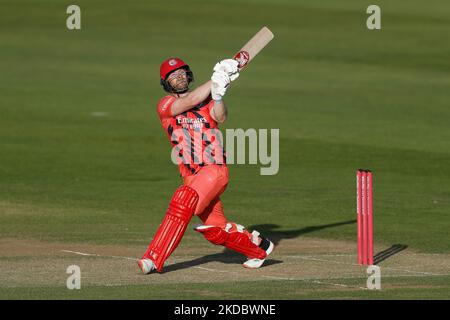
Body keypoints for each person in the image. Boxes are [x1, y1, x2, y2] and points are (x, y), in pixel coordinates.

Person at [137, 57, 274, 274]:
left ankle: (153, 258)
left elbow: (221, 116)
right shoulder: (165, 105)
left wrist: (218, 95)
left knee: (182, 204)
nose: (179, 76)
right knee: (216, 230)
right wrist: (216, 79)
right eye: (173, 75)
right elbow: (188, 101)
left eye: (182, 72)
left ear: (188, 75)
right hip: (191, 176)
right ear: (166, 82)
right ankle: (258, 247)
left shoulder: (208, 99)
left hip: (213, 170)